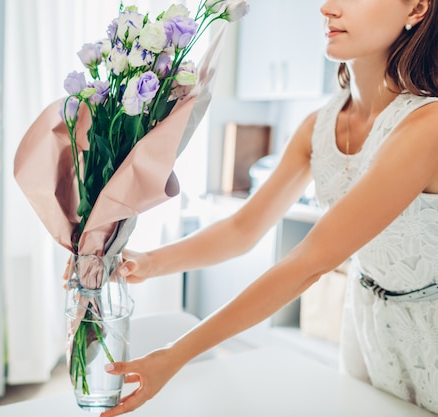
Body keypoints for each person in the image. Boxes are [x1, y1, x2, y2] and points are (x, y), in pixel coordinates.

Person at [98, 0, 438, 415]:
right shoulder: (320, 124)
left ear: (417, 9)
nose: (327, 8)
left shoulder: (428, 126)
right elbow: (243, 228)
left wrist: (176, 354)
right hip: (369, 326)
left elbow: (307, 264)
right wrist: (149, 263)